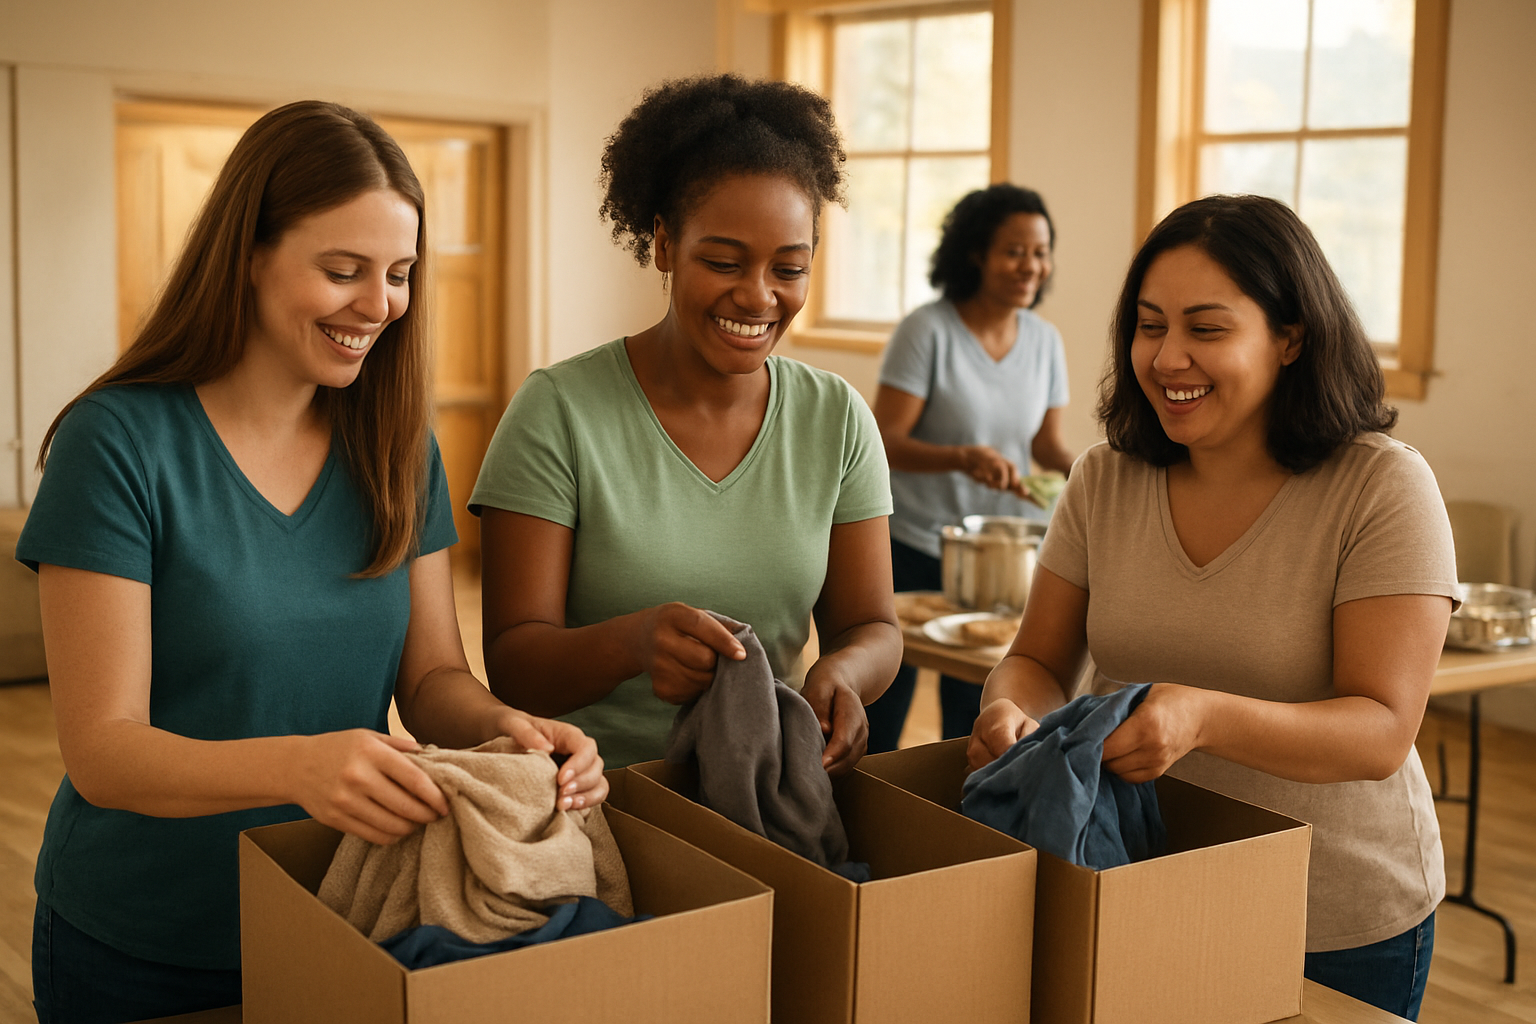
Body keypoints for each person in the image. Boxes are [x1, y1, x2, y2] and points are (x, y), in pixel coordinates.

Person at [16, 101, 606, 1024]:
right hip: (145, 945)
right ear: (249, 255)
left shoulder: (399, 447)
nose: (378, 306)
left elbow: (432, 677)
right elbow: (104, 752)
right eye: (342, 270)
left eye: (400, 275)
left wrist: (510, 730)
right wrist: (298, 767)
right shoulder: (119, 444)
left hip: (344, 917)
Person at [968, 194, 1454, 1021]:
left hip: (1332, 912)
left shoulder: (1382, 486)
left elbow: (1381, 730)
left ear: (1290, 337)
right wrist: (1013, 711)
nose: (1167, 358)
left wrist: (1200, 717)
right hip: (1134, 876)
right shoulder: (1105, 478)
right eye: (1149, 326)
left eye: (1206, 328)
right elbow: (1039, 659)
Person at [471, 73, 901, 773]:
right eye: (724, 262)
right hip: (593, 797)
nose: (758, 296)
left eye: (789, 269)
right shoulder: (558, 412)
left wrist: (843, 674)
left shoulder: (837, 419)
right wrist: (632, 644)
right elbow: (514, 665)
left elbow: (871, 625)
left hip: (764, 791)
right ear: (665, 244)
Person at [865, 184, 1075, 752]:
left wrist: (1097, 472)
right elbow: (885, 441)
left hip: (997, 558)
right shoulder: (927, 331)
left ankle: (960, 808)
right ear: (976, 253)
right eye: (1014, 251)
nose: (1031, 266)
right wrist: (961, 458)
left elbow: (1046, 444)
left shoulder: (1045, 341)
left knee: (977, 714)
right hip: (915, 543)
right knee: (884, 707)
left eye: (1040, 252)